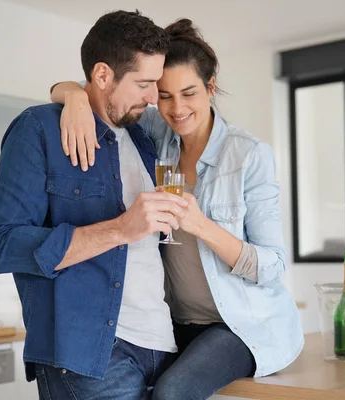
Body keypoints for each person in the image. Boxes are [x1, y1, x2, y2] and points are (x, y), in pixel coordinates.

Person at [50, 18, 304, 399]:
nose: (176, 108)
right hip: (175, 321)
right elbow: (80, 87)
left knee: (171, 393)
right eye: (164, 95)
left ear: (210, 88)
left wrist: (201, 225)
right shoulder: (155, 134)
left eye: (189, 93)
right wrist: (73, 97)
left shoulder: (248, 155)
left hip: (238, 325)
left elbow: (272, 267)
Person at [0, 10, 191, 400]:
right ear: (102, 75)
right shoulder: (38, 130)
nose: (152, 98)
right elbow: (1, 245)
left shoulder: (144, 140)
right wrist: (119, 229)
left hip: (161, 348)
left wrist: (72, 92)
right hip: (91, 356)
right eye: (144, 84)